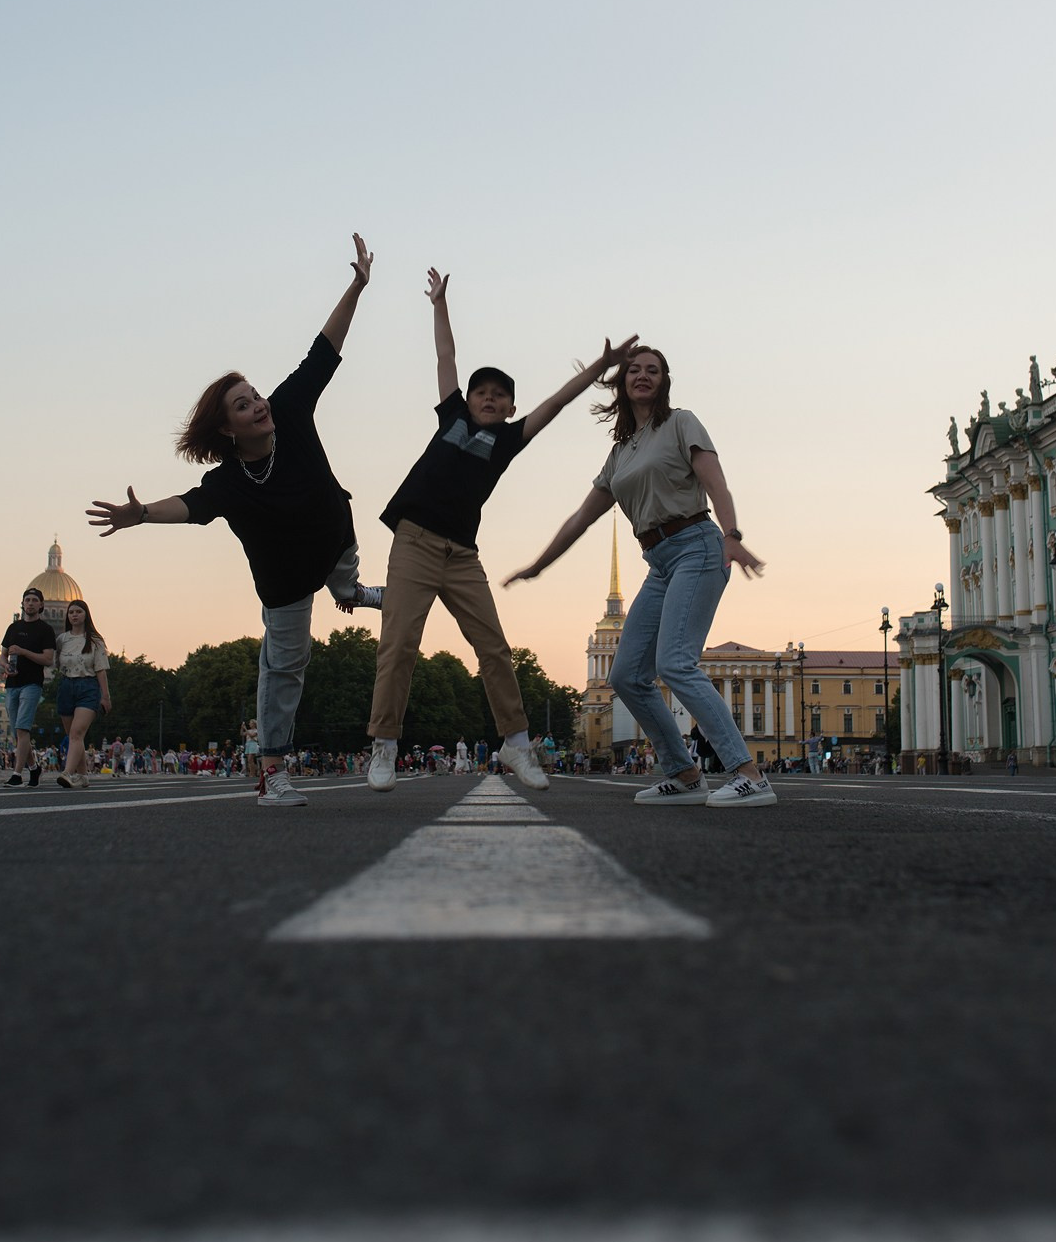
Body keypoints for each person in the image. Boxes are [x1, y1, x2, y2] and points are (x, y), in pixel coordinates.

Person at [88, 234, 383, 811]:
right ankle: (273, 774)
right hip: (285, 584)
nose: (259, 406)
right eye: (245, 406)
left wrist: (357, 285)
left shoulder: (292, 407)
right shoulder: (226, 483)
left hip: (335, 540)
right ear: (229, 430)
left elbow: (324, 349)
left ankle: (353, 590)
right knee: (283, 669)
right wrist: (141, 514)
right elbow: (189, 506)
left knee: (346, 586)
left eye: (255, 395)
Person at [365, 265, 635, 792]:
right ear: (468, 401)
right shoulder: (452, 419)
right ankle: (384, 745)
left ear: (510, 407)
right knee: (398, 645)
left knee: (494, 649)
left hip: (462, 555)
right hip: (415, 541)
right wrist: (440, 304)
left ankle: (516, 745)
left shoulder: (508, 440)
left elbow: (555, 404)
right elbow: (447, 357)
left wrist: (599, 368)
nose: (489, 399)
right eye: (481, 393)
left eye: (499, 396)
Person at [505, 345, 773, 808]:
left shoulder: (680, 422)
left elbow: (716, 481)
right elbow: (580, 518)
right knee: (627, 676)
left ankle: (748, 775)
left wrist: (731, 534)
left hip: (698, 546)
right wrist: (538, 564)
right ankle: (685, 775)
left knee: (676, 663)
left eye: (653, 370)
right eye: (635, 370)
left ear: (664, 381)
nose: (643, 376)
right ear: (622, 383)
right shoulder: (620, 454)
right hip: (659, 560)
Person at [0, 588, 56, 787]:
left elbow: (48, 659)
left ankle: (17, 774)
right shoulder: (13, 628)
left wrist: (23, 651)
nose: (30, 603)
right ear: (22, 604)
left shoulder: (45, 630)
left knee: (22, 728)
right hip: (12, 685)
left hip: (32, 685)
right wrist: (6, 665)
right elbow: (2, 654)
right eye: (27, 600)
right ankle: (34, 768)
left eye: (34, 600)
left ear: (41, 605)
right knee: (18, 734)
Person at [54, 600, 111, 790]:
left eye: (78, 611)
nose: (74, 615)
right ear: (67, 616)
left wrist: (105, 696)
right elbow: (52, 662)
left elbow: (101, 670)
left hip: (88, 687)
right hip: (66, 686)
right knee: (73, 735)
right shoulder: (62, 640)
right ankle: (83, 776)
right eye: (71, 612)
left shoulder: (95, 640)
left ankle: (67, 773)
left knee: (77, 733)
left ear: (86, 614)